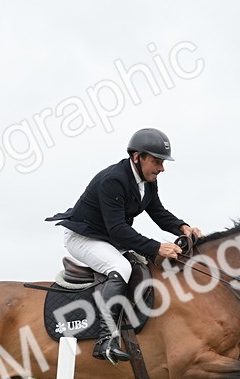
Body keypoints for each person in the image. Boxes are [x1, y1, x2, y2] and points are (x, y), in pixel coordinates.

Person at [47, 127, 203, 364]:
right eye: (156, 161)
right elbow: (118, 230)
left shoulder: (147, 181)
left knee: (145, 264)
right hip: (83, 236)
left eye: (163, 162)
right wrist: (156, 247)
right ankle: (105, 339)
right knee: (121, 268)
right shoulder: (114, 180)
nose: (161, 168)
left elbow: (157, 212)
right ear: (137, 157)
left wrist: (183, 227)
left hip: (107, 237)